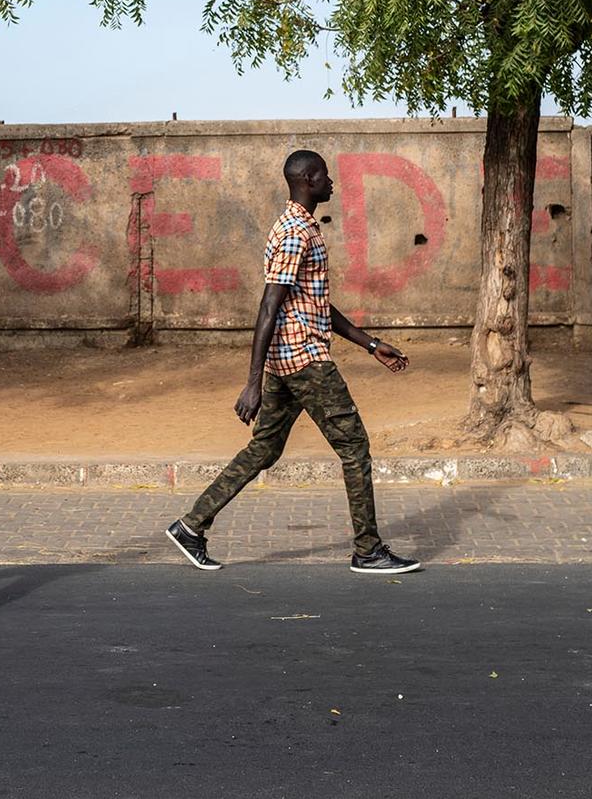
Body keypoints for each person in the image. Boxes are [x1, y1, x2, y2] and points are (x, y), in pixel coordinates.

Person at [166, 150, 422, 574]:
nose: (332, 181)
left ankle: (191, 527)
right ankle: (368, 550)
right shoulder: (293, 233)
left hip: (288, 362)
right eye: (325, 175)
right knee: (354, 447)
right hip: (305, 362)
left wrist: (370, 343)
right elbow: (268, 307)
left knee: (264, 449)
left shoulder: (302, 227)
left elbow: (314, 303)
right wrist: (251, 382)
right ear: (307, 179)